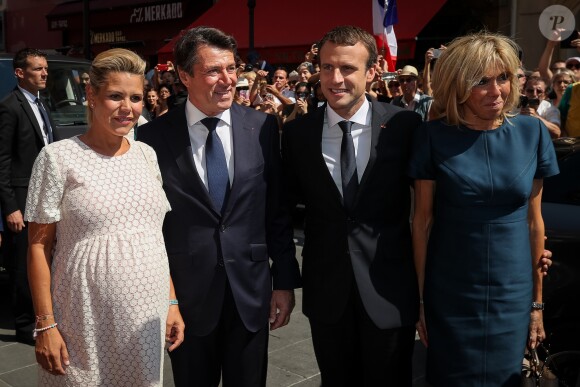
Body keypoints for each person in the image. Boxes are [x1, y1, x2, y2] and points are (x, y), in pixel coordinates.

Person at [137, 26, 301, 387]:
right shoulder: (151, 139)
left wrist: (284, 283)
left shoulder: (261, 127)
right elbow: (150, 228)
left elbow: (276, 211)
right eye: (214, 70)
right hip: (186, 300)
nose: (228, 80)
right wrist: (166, 300)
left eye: (232, 68)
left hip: (251, 292)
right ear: (184, 75)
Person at [24, 48, 184, 385]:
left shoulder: (146, 154)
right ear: (91, 96)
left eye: (136, 97)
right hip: (82, 318)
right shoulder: (57, 158)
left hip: (146, 314)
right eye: (115, 96)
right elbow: (38, 248)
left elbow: (154, 236)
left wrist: (171, 301)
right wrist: (45, 325)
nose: (128, 107)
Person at [409, 32, 559, 386]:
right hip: (451, 289)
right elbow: (422, 223)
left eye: (503, 78)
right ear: (458, 84)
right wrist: (420, 300)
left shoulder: (531, 133)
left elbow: (535, 224)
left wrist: (536, 305)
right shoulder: (433, 137)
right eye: (481, 81)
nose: (496, 91)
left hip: (513, 287)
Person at [282, 25, 423, 386]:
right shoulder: (298, 134)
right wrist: (282, 279)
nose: (335, 78)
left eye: (347, 68)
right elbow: (280, 213)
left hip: (390, 290)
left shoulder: (405, 126)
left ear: (372, 73)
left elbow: (428, 209)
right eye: (327, 67)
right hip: (327, 291)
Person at [0, 48, 54, 345]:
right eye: (37, 69)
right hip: (21, 195)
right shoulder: (9, 106)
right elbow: (2, 160)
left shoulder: (41, 103)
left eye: (45, 69)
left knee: (44, 255)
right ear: (20, 72)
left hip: (45, 191)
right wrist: (10, 207)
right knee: (23, 261)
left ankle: (43, 316)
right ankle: (23, 326)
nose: (44, 73)